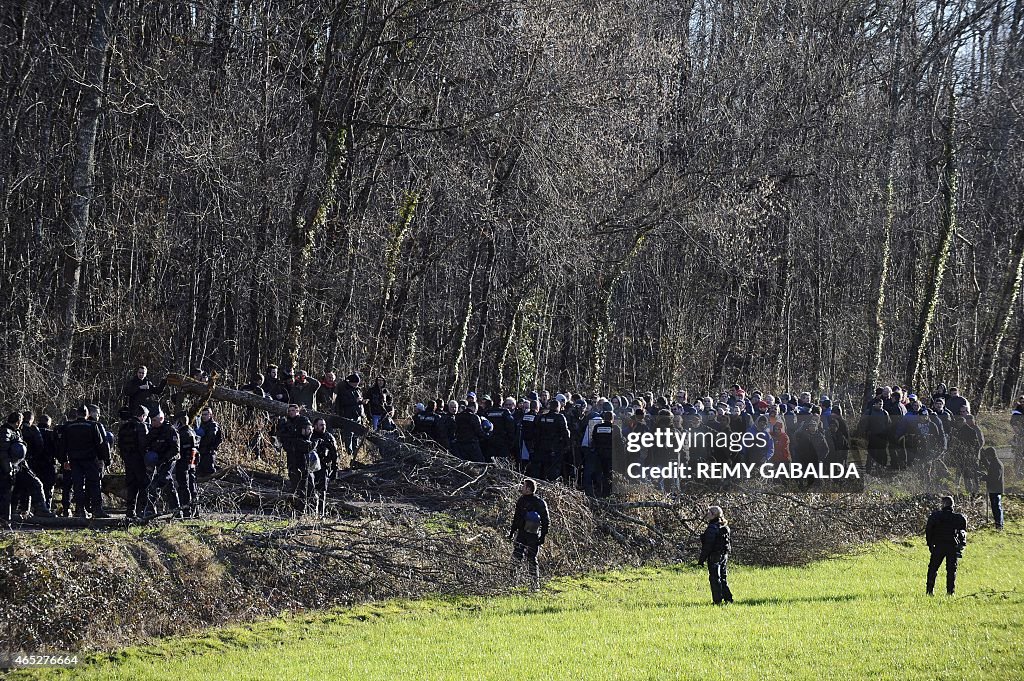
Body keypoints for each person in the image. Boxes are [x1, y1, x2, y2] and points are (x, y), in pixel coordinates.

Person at [59, 406, 109, 518]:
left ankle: (80, 510)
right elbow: (100, 444)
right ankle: (97, 509)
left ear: (77, 414)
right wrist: (102, 459)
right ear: (87, 414)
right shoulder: (93, 426)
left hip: (74, 460)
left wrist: (63, 460)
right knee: (95, 484)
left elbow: (63, 445)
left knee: (78, 485)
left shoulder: (68, 427)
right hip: (90, 460)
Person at [509, 478, 550, 592]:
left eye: (524, 486)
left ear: (528, 489)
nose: (521, 488)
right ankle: (512, 583)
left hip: (532, 535)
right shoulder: (521, 500)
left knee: (530, 559)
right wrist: (512, 532)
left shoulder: (539, 502)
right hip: (522, 533)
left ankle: (534, 585)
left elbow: (545, 521)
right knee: (517, 556)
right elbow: (516, 518)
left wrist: (543, 536)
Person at [925, 496, 968, 596]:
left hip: (938, 546)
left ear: (943, 504)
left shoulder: (935, 516)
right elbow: (963, 533)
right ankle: (950, 592)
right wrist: (961, 546)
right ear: (952, 505)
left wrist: (930, 545)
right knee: (951, 570)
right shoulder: (959, 518)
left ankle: (929, 591)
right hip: (952, 546)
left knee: (933, 568)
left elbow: (928, 531)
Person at [144, 410, 181, 517]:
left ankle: (151, 508)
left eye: (154, 420)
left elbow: (175, 450)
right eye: (151, 420)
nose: (152, 422)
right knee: (168, 485)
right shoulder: (152, 431)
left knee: (161, 480)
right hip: (158, 460)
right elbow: (148, 444)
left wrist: (164, 460)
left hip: (169, 460)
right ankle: (176, 510)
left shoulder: (170, 430)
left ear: (161, 419)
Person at [118, 406, 151, 519]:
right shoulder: (141, 426)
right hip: (139, 460)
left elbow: (120, 445)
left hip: (128, 460)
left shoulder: (123, 427)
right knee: (144, 485)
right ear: (142, 416)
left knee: (131, 486)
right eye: (145, 417)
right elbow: (143, 445)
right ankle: (142, 511)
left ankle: (130, 511)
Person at [698, 505, 733, 605]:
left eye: (709, 513)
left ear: (714, 515)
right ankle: (728, 599)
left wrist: (701, 560)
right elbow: (729, 542)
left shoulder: (712, 528)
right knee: (723, 578)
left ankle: (717, 601)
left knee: (714, 578)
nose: (707, 514)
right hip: (724, 555)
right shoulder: (725, 526)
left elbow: (708, 546)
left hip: (714, 556)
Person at [588, 411, 622, 497]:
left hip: (599, 455)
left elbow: (593, 440)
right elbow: (620, 444)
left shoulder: (597, 427)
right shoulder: (615, 428)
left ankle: (598, 492)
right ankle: (608, 493)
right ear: (612, 419)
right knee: (609, 475)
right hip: (610, 456)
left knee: (599, 473)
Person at [173, 412, 199, 518]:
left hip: (184, 463)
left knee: (184, 487)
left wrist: (174, 431)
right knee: (191, 487)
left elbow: (179, 449)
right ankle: (194, 510)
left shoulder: (183, 434)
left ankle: (187, 510)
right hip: (191, 464)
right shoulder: (191, 431)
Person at [195, 407, 223, 476]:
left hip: (209, 452)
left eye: (205, 414)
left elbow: (210, 438)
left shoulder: (213, 425)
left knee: (209, 470)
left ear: (210, 415)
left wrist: (202, 435)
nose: (204, 416)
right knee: (199, 470)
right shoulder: (200, 424)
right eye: (203, 414)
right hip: (200, 451)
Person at [982, 447, 1004, 530]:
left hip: (995, 489)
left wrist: (985, 477)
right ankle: (998, 524)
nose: (987, 458)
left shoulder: (996, 464)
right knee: (996, 507)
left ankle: (999, 525)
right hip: (995, 488)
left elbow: (995, 478)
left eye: (987, 456)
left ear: (991, 455)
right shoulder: (995, 463)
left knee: (996, 507)